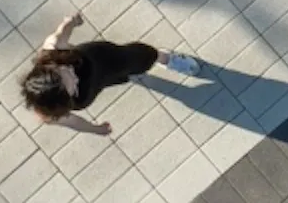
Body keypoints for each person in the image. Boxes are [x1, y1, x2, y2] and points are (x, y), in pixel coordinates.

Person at [22, 12, 174, 125]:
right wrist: (95, 129)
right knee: (118, 77)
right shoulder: (50, 110)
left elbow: (63, 31)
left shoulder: (54, 49)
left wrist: (72, 21)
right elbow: (72, 121)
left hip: (101, 57)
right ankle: (129, 74)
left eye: (67, 71)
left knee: (135, 57)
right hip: (98, 83)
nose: (76, 78)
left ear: (52, 66)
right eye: (73, 88)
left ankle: (158, 56)